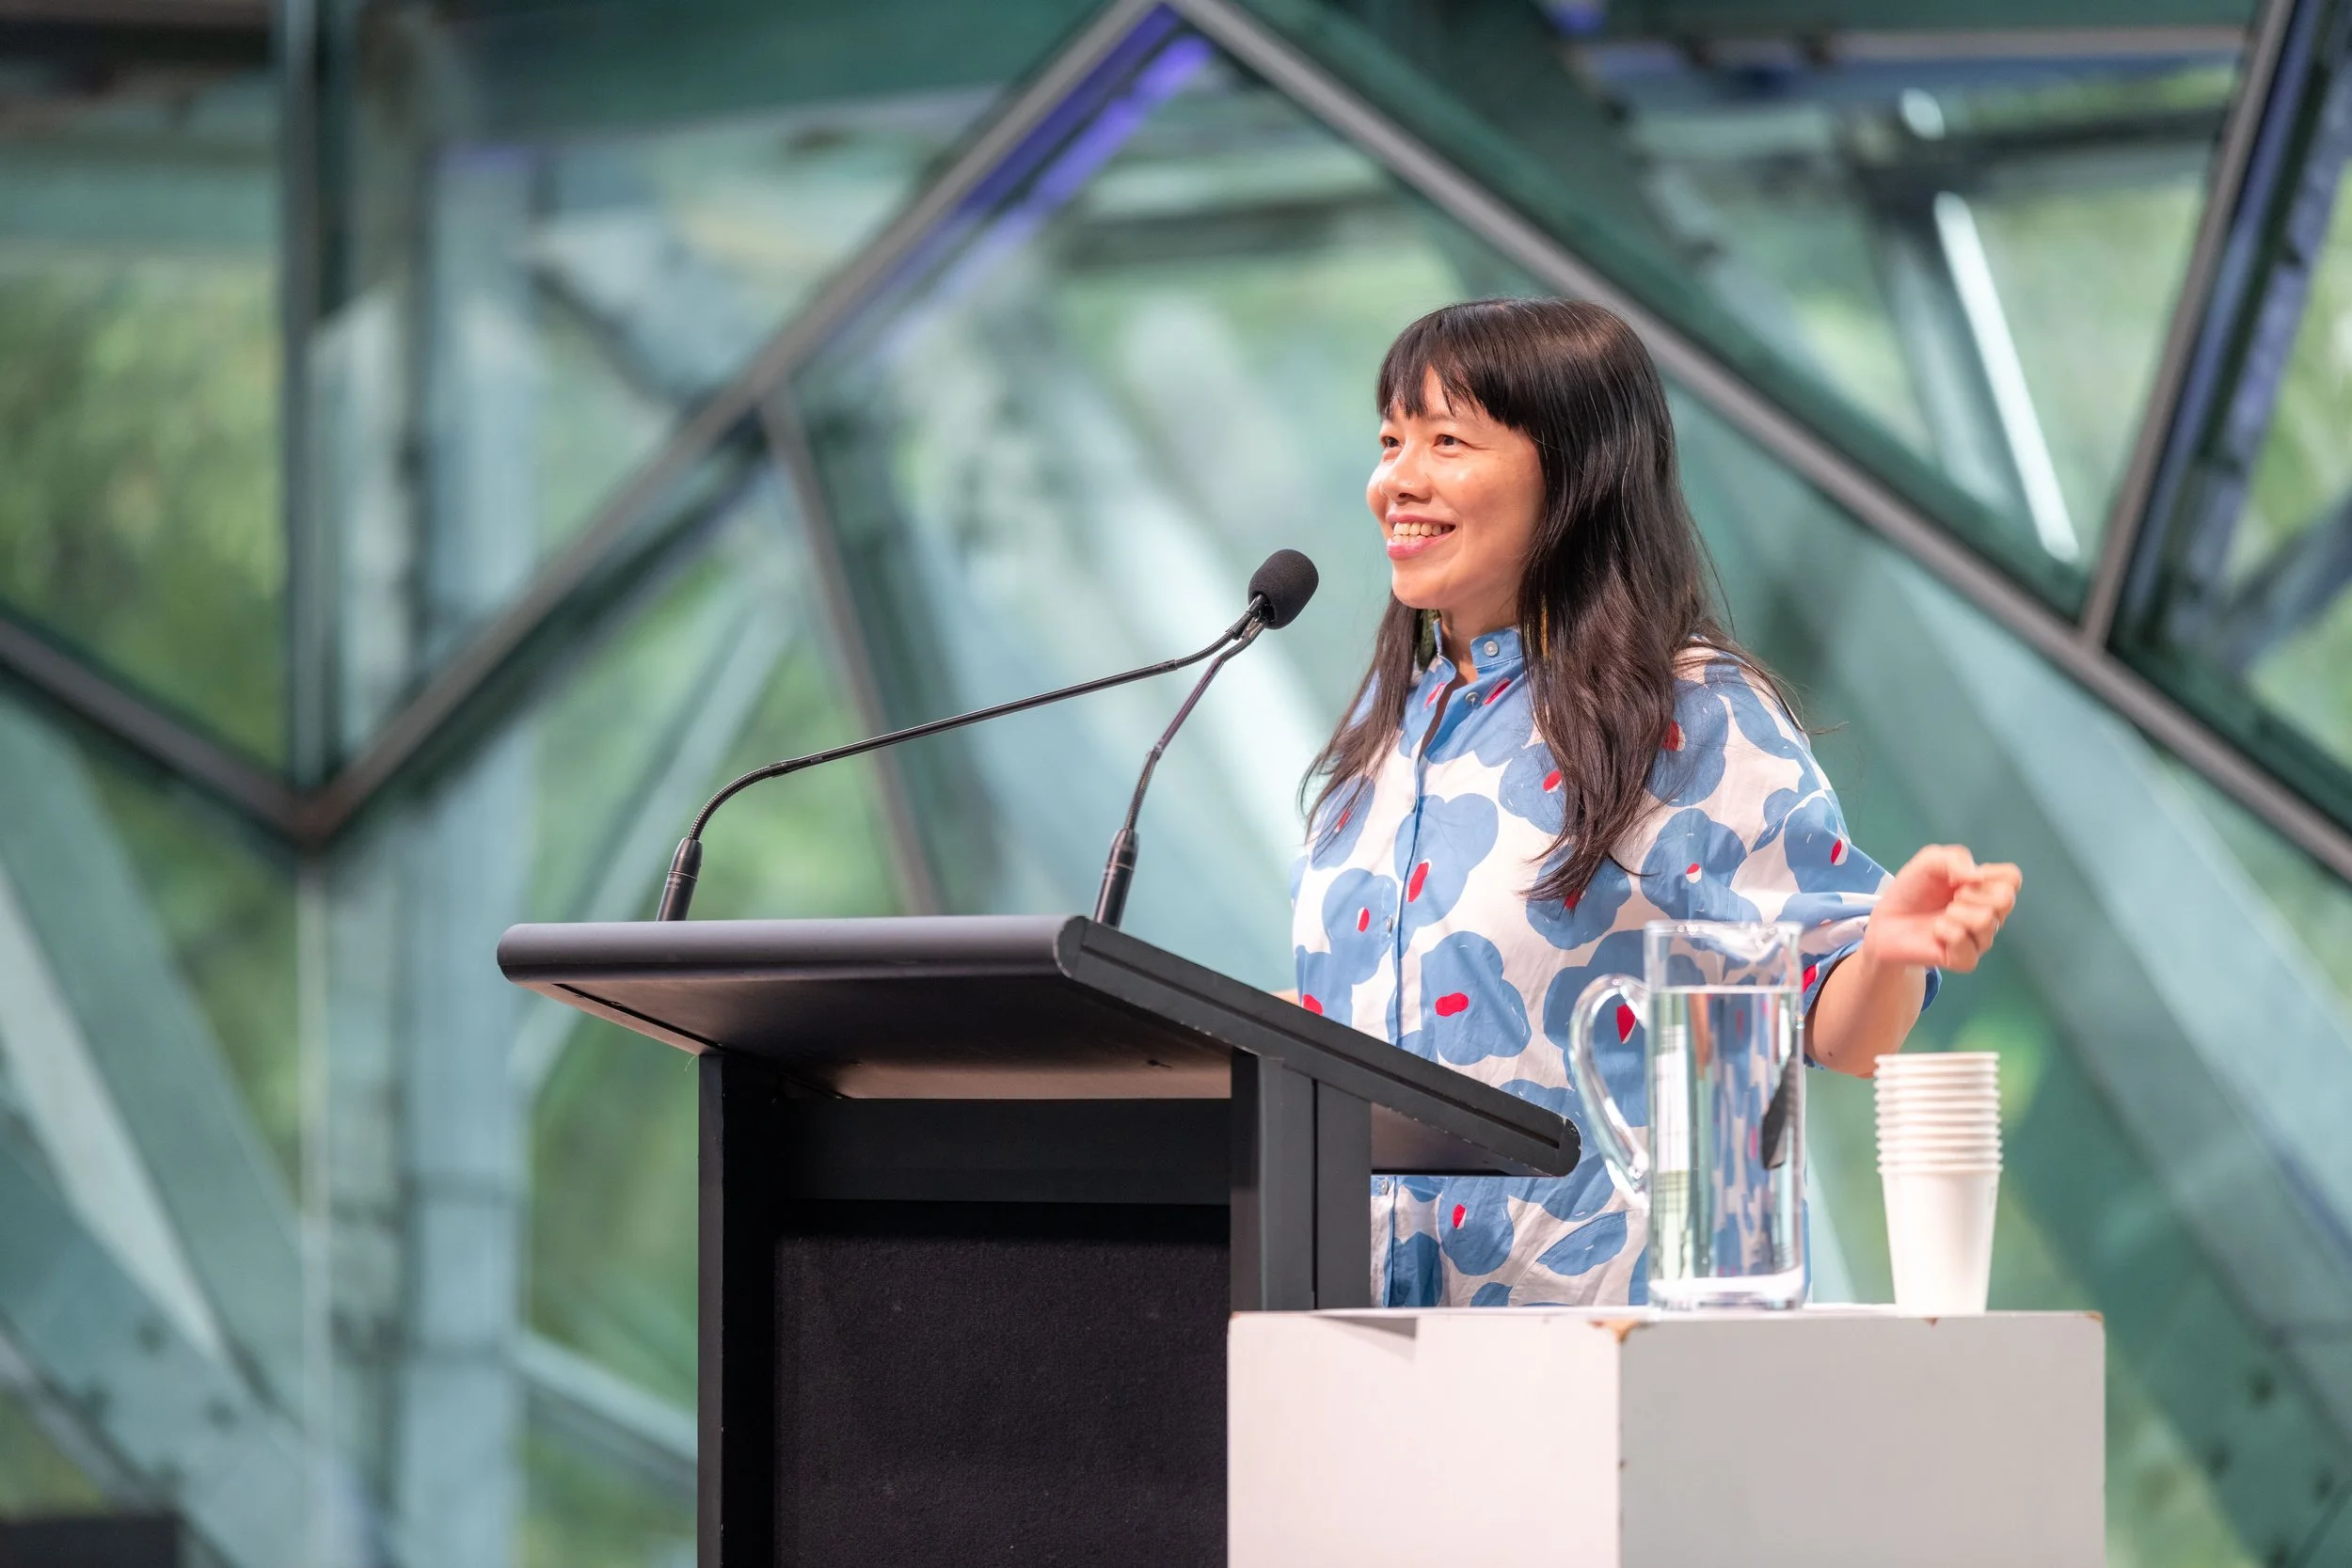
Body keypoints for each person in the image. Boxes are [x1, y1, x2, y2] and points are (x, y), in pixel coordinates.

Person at [1290, 298, 2022, 1307]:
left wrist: (1886, 947)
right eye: (1390, 439)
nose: (1396, 481)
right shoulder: (1392, 722)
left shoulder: (1686, 711)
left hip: (1596, 1352)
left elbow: (1848, 1031)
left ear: (1576, 472)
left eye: (1446, 440)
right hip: (1357, 1341)